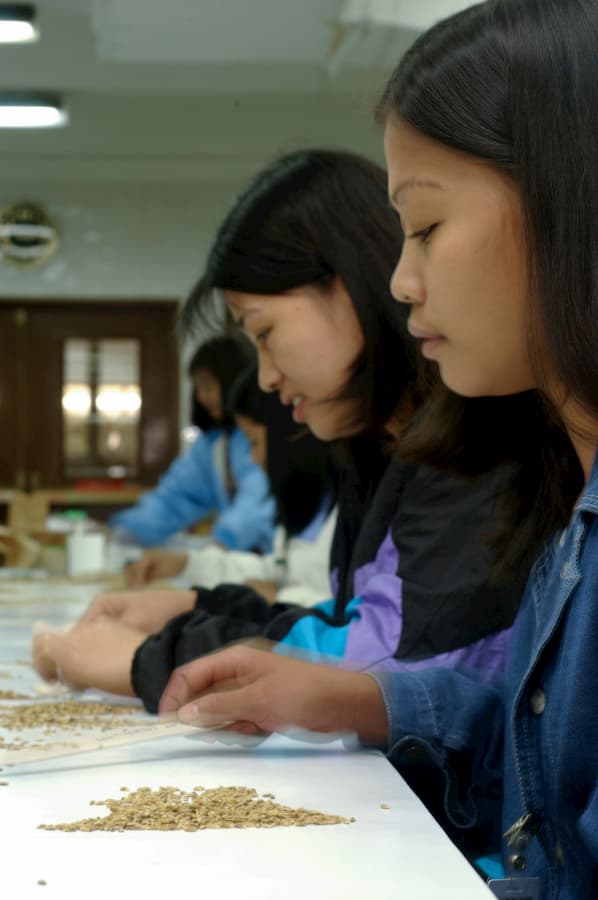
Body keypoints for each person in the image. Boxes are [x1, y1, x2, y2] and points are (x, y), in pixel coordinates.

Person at [115, 2, 598, 896]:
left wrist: (151, 656)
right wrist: (368, 701)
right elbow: (545, 761)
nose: (404, 280)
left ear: (570, 204)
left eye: (424, 230)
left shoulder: (496, 469)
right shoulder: (572, 513)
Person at [33, 149, 524, 746]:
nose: (266, 377)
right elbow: (351, 627)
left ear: (353, 284)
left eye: (266, 333)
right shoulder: (381, 455)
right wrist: (196, 603)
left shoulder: (477, 451)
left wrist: (150, 660)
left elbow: (379, 666)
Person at [115, 365, 337, 603]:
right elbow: (277, 571)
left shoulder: (343, 513)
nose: (254, 458)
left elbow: (355, 614)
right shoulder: (304, 505)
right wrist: (185, 564)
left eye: (254, 442)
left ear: (288, 437)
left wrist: (282, 600)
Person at [109, 336, 275, 552]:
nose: (202, 396)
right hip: (244, 566)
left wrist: (221, 543)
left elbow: (257, 503)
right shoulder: (213, 445)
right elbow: (174, 498)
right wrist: (125, 529)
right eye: (197, 387)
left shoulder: (268, 431)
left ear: (235, 379)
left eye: (207, 385)